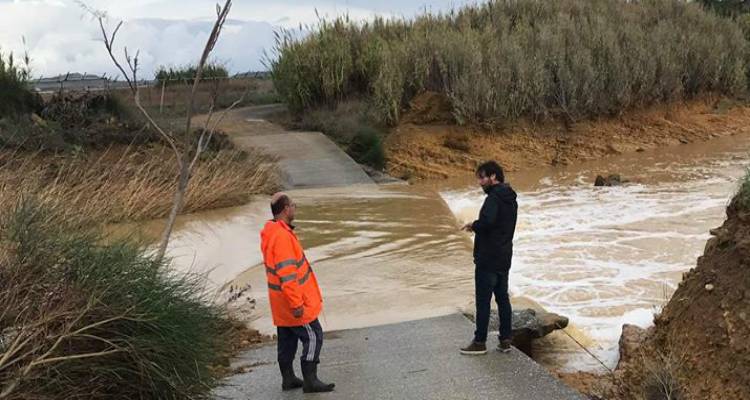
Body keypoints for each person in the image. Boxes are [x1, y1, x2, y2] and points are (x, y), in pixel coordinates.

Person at [261, 192, 335, 393]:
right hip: (293, 302)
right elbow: (288, 277)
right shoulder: (282, 237)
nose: (295, 208)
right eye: (293, 205)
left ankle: (289, 379)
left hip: (279, 302)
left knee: (287, 339)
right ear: (286, 209)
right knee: (314, 336)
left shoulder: (272, 232)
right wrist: (296, 305)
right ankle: (310, 380)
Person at [460, 161, 518, 355]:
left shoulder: (494, 198)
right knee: (503, 299)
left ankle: (480, 342)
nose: (480, 182)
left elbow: (488, 221)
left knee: (483, 301)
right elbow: (501, 225)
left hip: (488, 258)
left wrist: (473, 225)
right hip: (504, 257)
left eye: (482, 177)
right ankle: (505, 340)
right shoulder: (510, 197)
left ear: (494, 177)